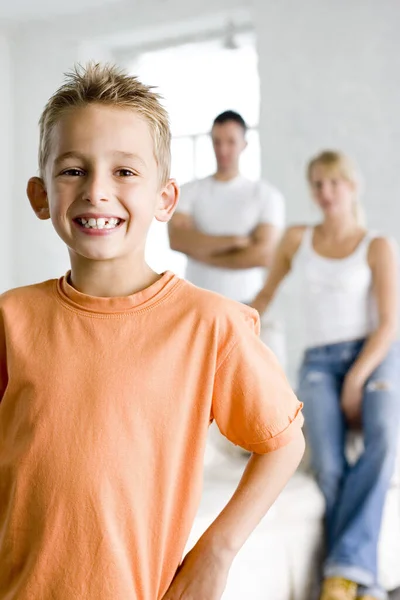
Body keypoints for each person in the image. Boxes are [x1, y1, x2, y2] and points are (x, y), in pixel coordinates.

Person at [0, 63, 305, 600]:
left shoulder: (211, 325)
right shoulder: (11, 319)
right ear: (40, 194)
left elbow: (282, 443)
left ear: (166, 198)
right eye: (73, 170)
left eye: (124, 172)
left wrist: (217, 551)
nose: (97, 191)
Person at [251, 150, 400, 600]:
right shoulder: (297, 238)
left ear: (352, 187)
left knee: (383, 438)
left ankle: (341, 577)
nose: (325, 192)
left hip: (373, 355)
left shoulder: (377, 244)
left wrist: (355, 381)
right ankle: (358, 578)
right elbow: (265, 293)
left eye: (334, 183)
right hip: (318, 362)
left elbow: (390, 324)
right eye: (317, 183)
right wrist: (221, 331)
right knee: (329, 465)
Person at [168, 110, 286, 364]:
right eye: (217, 141)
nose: (223, 149)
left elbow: (264, 254)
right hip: (198, 308)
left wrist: (200, 248)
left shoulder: (265, 195)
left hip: (250, 309)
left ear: (244, 144)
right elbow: (177, 240)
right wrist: (234, 242)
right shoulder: (191, 191)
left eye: (230, 141)